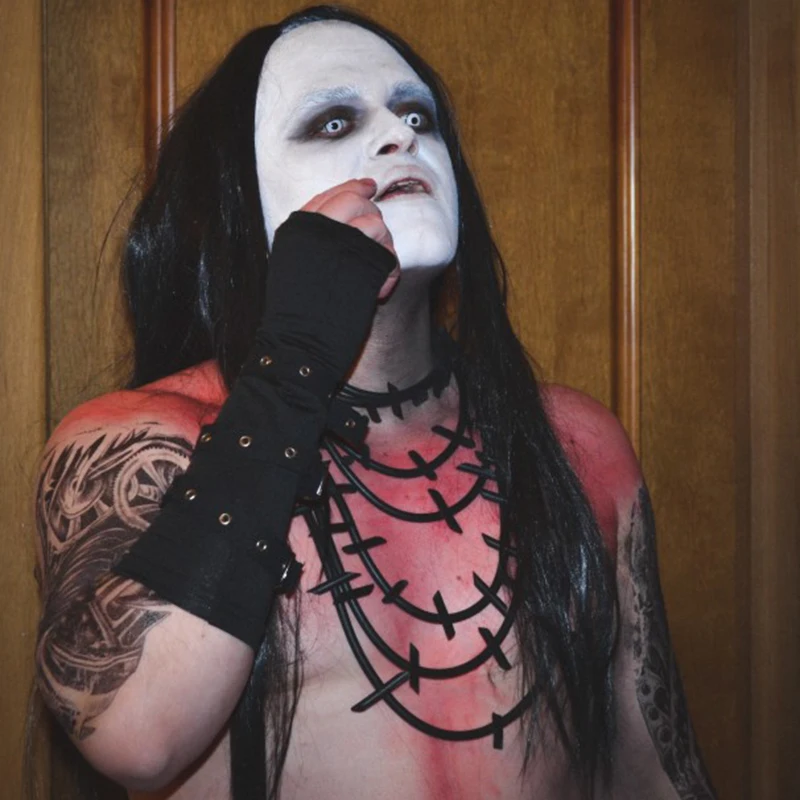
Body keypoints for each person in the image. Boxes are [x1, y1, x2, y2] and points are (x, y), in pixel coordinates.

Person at [33, 6, 717, 799]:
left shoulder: (576, 441)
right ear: (238, 197)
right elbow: (134, 735)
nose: (401, 136)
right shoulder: (138, 442)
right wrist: (294, 359)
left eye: (417, 115)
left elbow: (655, 770)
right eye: (333, 122)